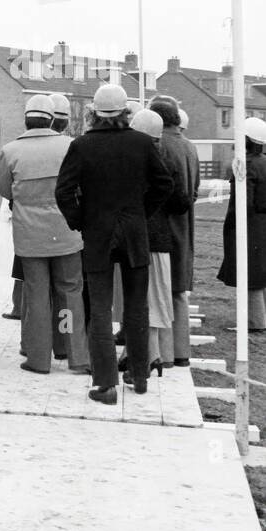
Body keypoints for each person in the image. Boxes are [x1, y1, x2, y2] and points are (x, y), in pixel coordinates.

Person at [56, 84, 173, 404]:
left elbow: (63, 192)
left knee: (100, 309)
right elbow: (164, 184)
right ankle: (139, 375)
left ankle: (106, 384)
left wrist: (81, 221)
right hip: (134, 233)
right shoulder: (141, 143)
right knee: (136, 307)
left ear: (93, 113)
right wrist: (140, 214)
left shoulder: (81, 146)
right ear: (125, 112)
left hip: (98, 235)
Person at [0, 95, 88, 375]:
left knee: (36, 295)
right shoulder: (70, 146)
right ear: (51, 119)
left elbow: (4, 191)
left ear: (26, 119)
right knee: (70, 291)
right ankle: (72, 352)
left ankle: (38, 358)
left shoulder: (10, 151)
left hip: (29, 236)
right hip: (67, 232)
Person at [127, 108, 191, 375]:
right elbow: (181, 202)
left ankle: (145, 356)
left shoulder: (128, 158)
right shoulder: (168, 159)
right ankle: (162, 356)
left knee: (139, 299)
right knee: (159, 299)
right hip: (160, 237)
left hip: (134, 237)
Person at [149, 97, 199, 365]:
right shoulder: (189, 147)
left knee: (159, 291)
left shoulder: (159, 146)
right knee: (178, 291)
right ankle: (181, 353)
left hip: (163, 226)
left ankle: (164, 354)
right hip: (185, 225)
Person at [215, 117, 266, 332]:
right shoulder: (264, 162)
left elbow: (243, 202)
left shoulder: (245, 165)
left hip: (250, 224)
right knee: (261, 273)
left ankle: (254, 322)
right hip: (263, 224)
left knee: (250, 273)